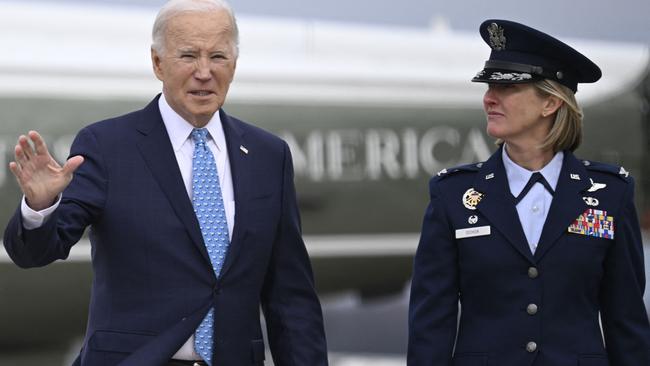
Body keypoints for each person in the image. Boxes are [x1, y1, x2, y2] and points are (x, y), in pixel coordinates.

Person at [3, 1, 328, 365]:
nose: (204, 72)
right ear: (158, 63)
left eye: (218, 56)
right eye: (188, 56)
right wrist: (40, 208)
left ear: (234, 65)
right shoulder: (108, 146)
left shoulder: (269, 156)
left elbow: (291, 297)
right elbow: (36, 252)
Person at [408, 19, 650, 366]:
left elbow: (626, 323)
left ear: (550, 104)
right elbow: (430, 326)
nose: (489, 98)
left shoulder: (612, 194)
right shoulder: (452, 195)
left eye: (506, 89)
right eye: (489, 87)